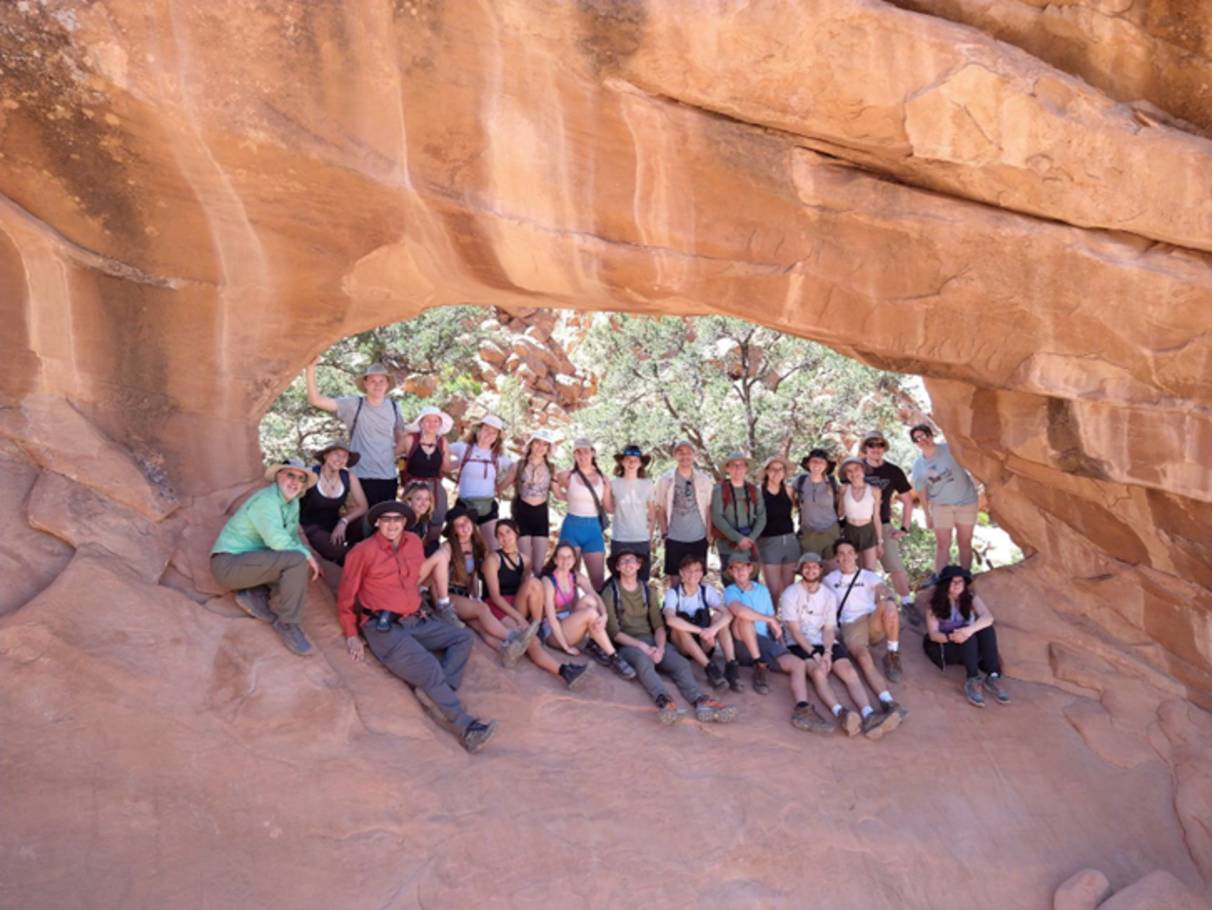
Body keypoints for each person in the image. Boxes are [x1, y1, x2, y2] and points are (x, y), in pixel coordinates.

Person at [336, 500, 497, 753]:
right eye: (386, 519)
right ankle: (467, 727)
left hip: (414, 618)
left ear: (405, 523)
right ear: (377, 522)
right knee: (429, 667)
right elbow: (346, 596)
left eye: (397, 520)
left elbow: (412, 580)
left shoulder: (412, 542)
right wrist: (351, 634)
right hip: (383, 627)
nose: (391, 525)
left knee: (463, 638)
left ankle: (438, 692)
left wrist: (417, 603)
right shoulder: (362, 551)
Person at [603, 549, 736, 724]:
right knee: (644, 662)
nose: (629, 564)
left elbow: (659, 625)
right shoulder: (610, 592)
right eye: (624, 561)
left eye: (632, 560)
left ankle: (699, 700)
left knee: (681, 664)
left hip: (652, 639)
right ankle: (664, 701)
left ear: (639, 565)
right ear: (617, 567)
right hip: (627, 644)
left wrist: (660, 647)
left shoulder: (648, 591)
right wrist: (642, 646)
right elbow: (614, 632)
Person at [779, 553, 902, 739]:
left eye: (815, 566)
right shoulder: (790, 593)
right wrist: (815, 654)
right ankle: (841, 712)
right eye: (806, 567)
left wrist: (827, 652)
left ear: (820, 569)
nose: (811, 570)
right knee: (818, 671)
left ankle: (868, 714)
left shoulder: (828, 595)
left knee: (849, 671)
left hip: (823, 639)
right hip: (799, 642)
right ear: (801, 570)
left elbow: (829, 628)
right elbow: (795, 631)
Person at [211, 458, 322, 657]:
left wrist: (308, 555)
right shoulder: (267, 501)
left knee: (297, 562)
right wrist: (306, 556)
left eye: (301, 479)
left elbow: (291, 537)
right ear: (278, 476)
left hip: (252, 563)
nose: (295, 482)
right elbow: (277, 541)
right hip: (229, 565)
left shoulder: (292, 503)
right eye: (290, 475)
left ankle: (253, 593)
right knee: (296, 560)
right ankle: (287, 623)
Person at [723, 552, 832, 733]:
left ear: (750, 568)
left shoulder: (762, 590)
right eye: (736, 568)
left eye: (744, 567)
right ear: (731, 572)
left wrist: (778, 637)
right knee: (744, 619)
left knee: (798, 664)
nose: (740, 571)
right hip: (741, 642)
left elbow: (772, 617)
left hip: (763, 641)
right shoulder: (730, 591)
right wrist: (769, 620)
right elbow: (740, 611)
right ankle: (759, 664)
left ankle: (802, 708)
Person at [482, 519, 589, 688]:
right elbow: (495, 597)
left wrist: (528, 616)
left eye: (508, 532)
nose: (505, 537)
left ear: (516, 533)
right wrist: (519, 618)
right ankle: (564, 671)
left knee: (534, 583)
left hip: (516, 603)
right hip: (499, 606)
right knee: (530, 641)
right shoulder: (493, 560)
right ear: (496, 538)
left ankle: (536, 625)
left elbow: (526, 589)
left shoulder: (525, 560)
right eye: (500, 534)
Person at [305, 361, 405, 518]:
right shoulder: (354, 405)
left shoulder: (394, 407)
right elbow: (316, 400)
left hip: (388, 477)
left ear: (387, 384)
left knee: (385, 522)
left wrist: (389, 454)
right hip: (359, 476)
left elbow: (401, 436)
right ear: (365, 383)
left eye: (381, 381)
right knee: (359, 524)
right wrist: (310, 368)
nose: (377, 385)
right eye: (372, 381)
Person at [441, 506, 538, 667]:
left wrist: (475, 595)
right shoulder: (448, 547)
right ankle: (512, 636)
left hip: (465, 596)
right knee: (481, 609)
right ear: (453, 530)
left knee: (480, 626)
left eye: (466, 521)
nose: (464, 527)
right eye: (458, 525)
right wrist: (441, 602)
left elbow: (474, 576)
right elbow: (438, 576)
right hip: (449, 594)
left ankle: (505, 652)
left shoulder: (477, 545)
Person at [540, 542, 637, 680]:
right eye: (561, 557)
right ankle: (614, 657)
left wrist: (604, 616)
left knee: (590, 600)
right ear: (555, 560)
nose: (565, 560)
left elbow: (595, 595)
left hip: (568, 622)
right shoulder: (548, 581)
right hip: (553, 633)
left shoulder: (575, 575)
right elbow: (551, 617)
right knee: (590, 613)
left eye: (569, 557)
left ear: (574, 559)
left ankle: (592, 644)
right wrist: (566, 647)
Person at [823, 540, 908, 697]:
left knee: (889, 605)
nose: (846, 557)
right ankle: (886, 699)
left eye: (850, 552)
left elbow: (882, 589)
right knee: (863, 658)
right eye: (841, 553)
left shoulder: (867, 576)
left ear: (856, 555)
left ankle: (892, 653)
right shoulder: (829, 580)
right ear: (836, 558)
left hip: (871, 620)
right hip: (851, 624)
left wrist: (889, 598)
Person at [923, 565, 1010, 707]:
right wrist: (952, 637)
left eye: (960, 581)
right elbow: (934, 635)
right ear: (945, 584)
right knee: (967, 635)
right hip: (946, 646)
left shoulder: (970, 598)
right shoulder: (934, 605)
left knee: (986, 629)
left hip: (969, 643)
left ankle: (993, 676)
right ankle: (972, 679)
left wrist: (969, 630)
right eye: (953, 581)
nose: (957, 585)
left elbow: (988, 617)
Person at [854, 430, 917, 612]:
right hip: (859, 524)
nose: (876, 448)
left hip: (883, 523)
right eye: (871, 445)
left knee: (895, 565)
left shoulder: (893, 471)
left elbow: (907, 501)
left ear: (884, 448)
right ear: (865, 448)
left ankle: (907, 604)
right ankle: (865, 608)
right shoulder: (855, 469)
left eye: (880, 445)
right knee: (862, 569)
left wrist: (904, 528)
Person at [662, 553, 741, 691]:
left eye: (697, 570)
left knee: (719, 616)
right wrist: (701, 631)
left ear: (702, 572)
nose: (693, 574)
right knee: (678, 626)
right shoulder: (673, 593)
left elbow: (728, 613)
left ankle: (731, 665)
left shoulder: (706, 591)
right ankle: (710, 668)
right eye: (689, 571)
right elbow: (670, 619)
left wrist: (713, 630)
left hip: (705, 642)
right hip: (683, 646)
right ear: (681, 573)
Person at [910, 423, 981, 575]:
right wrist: (927, 514)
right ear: (915, 443)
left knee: (964, 542)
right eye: (917, 439)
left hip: (966, 502)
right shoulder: (918, 466)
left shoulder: (949, 449)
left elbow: (971, 462)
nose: (922, 440)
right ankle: (940, 578)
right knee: (943, 544)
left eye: (924, 435)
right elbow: (921, 491)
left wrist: (978, 481)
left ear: (931, 435)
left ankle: (965, 576)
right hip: (941, 506)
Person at [653, 439, 714, 585]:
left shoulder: (704, 480)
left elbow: (709, 508)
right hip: (674, 537)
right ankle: (676, 601)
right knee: (675, 579)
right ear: (675, 455)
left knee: (696, 579)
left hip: (698, 536)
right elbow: (660, 508)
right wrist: (664, 533)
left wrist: (708, 534)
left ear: (694, 455)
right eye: (680, 452)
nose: (684, 456)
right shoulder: (665, 480)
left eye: (688, 452)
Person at [448, 414, 514, 550]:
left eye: (494, 432)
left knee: (493, 547)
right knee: (461, 546)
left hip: (487, 506)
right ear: (478, 430)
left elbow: (515, 469)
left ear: (497, 437)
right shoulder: (463, 448)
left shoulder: (498, 456)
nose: (489, 434)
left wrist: (501, 487)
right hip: (464, 505)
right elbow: (441, 448)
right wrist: (452, 465)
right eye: (486, 429)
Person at [400, 481, 460, 626]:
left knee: (440, 554)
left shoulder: (422, 522)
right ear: (408, 500)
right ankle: (444, 605)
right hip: (399, 576)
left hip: (412, 572)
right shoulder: (403, 522)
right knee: (440, 556)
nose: (424, 503)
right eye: (419, 498)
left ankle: (421, 595)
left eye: (427, 499)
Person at [556, 437, 613, 590]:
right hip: (572, 527)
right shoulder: (567, 476)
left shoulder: (603, 479)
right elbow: (555, 486)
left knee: (598, 580)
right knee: (569, 576)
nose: (582, 456)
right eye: (578, 452)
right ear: (574, 455)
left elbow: (608, 507)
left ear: (593, 453)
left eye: (586, 451)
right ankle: (571, 605)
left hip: (593, 529)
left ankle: (597, 606)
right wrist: (564, 496)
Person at [299, 439, 368, 566]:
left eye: (344, 456)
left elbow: (363, 506)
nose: (340, 459)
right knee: (337, 551)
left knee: (365, 521)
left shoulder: (348, 477)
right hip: (310, 527)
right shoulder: (311, 474)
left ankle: (360, 549)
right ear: (325, 456)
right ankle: (351, 559)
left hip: (334, 525)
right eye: (336, 454)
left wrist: (343, 521)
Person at [399, 404, 454, 547]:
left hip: (435, 487)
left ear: (440, 424)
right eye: (428, 420)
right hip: (413, 487)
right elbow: (395, 456)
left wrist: (466, 463)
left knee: (436, 521)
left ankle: (430, 551)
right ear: (421, 422)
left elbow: (446, 467)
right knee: (410, 522)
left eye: (436, 420)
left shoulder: (442, 442)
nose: (432, 424)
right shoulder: (410, 440)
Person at [711, 452, 766, 581]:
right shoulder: (719, 490)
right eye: (733, 465)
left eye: (741, 465)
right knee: (730, 581)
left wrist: (751, 539)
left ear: (746, 468)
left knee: (751, 581)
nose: (737, 468)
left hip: (750, 545)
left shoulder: (753, 490)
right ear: (727, 468)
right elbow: (717, 517)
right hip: (727, 545)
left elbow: (761, 516)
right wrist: (738, 538)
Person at [512, 429, 558, 576]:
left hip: (541, 515)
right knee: (525, 565)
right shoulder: (519, 465)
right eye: (537, 442)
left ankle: (537, 590)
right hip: (522, 513)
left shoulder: (552, 468)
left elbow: (558, 493)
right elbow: (504, 484)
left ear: (548, 449)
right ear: (531, 444)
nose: (540, 447)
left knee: (538, 567)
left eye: (545, 444)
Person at [755, 455, 799, 608]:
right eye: (773, 469)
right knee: (773, 590)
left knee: (789, 590)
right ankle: (771, 619)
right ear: (766, 471)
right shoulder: (758, 492)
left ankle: (788, 620)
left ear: (784, 472)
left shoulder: (789, 490)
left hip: (790, 542)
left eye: (780, 469)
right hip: (767, 542)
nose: (777, 472)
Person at [610, 444, 656, 582]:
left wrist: (649, 536)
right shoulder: (613, 484)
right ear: (622, 462)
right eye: (628, 459)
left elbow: (652, 513)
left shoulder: (647, 484)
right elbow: (609, 507)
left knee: (642, 578)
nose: (631, 463)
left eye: (635, 460)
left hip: (640, 538)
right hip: (620, 537)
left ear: (640, 463)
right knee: (619, 579)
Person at [792, 448, 842, 573]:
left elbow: (841, 503)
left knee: (833, 572)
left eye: (821, 462)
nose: (817, 465)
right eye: (814, 461)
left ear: (826, 466)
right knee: (812, 572)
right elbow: (788, 497)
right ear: (808, 463)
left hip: (831, 532)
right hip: (809, 533)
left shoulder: (832, 482)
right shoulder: (800, 481)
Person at [837, 457, 883, 571]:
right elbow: (840, 513)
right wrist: (841, 497)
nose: (853, 473)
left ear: (863, 470)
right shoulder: (843, 489)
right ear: (846, 475)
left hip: (868, 531)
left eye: (856, 469)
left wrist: (880, 541)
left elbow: (876, 517)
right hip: (850, 530)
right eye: (849, 471)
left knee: (869, 570)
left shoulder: (874, 490)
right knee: (852, 570)